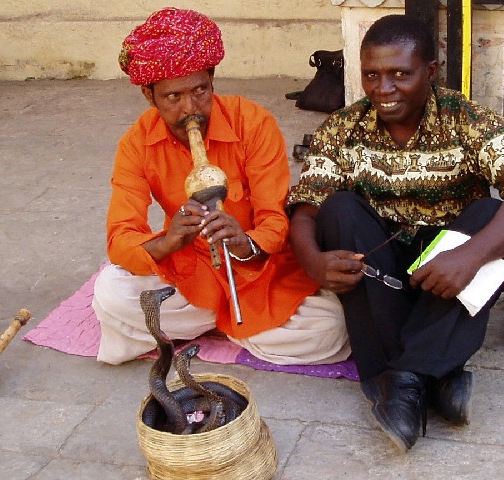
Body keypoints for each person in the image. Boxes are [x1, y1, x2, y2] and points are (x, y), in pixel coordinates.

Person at [286, 14, 504, 452]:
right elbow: (304, 209)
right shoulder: (342, 129)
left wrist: (470, 255)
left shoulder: (468, 120)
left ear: (430, 72)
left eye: (400, 74)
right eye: (372, 74)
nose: (383, 88)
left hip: (449, 275)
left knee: (492, 214)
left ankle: (400, 380)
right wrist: (313, 262)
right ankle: (437, 372)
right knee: (337, 210)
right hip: (383, 274)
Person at [92, 7, 350, 367]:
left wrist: (245, 243)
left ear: (212, 79)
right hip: (190, 273)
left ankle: (212, 323)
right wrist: (170, 241)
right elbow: (120, 237)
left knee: (330, 328)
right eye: (173, 98)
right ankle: (236, 324)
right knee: (110, 293)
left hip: (258, 271)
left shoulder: (254, 123)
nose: (190, 110)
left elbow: (276, 222)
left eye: (200, 91)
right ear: (149, 96)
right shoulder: (136, 144)